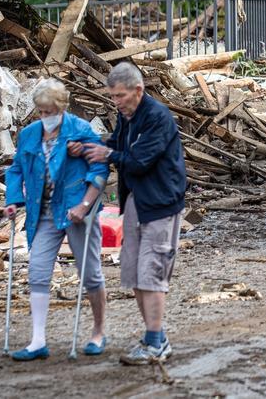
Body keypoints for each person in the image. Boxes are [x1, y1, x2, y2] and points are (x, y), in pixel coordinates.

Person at [77, 62, 187, 365]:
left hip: (161, 202)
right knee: (135, 272)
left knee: (151, 271)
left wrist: (108, 154)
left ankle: (156, 342)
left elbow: (139, 161)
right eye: (112, 96)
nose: (116, 101)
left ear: (138, 90)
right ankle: (154, 337)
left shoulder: (157, 117)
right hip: (137, 201)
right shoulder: (127, 115)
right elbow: (116, 143)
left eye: (120, 96)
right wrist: (90, 146)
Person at [5, 79, 109, 361]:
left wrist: (85, 205)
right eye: (40, 111)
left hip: (76, 212)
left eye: (49, 111)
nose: (44, 117)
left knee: (90, 274)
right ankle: (38, 340)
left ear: (62, 107)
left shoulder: (81, 130)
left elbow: (100, 169)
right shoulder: (29, 135)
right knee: (37, 270)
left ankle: (98, 331)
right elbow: (15, 170)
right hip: (44, 212)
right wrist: (13, 199)